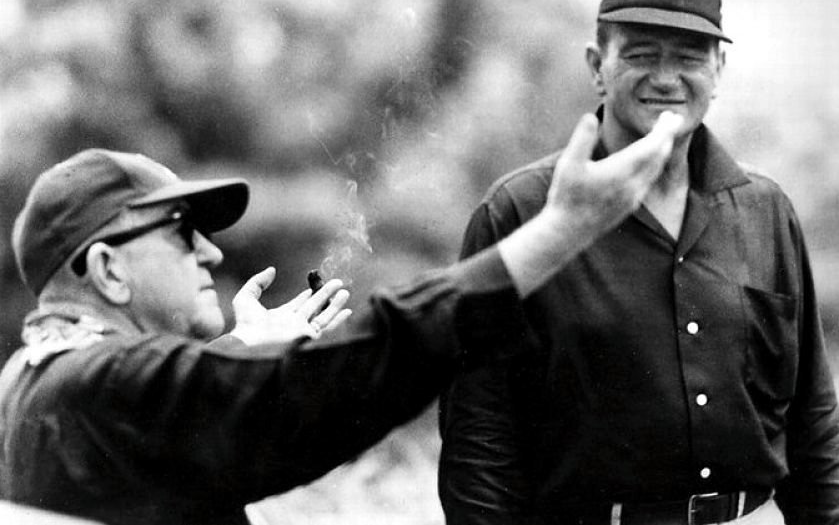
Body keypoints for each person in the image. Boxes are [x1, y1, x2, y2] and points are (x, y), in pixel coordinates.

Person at [0, 112, 681, 525]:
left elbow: (157, 436)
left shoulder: (31, 376)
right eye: (180, 230)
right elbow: (351, 370)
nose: (209, 249)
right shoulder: (105, 387)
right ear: (108, 271)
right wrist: (554, 234)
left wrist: (237, 353)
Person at [438, 0, 839, 525]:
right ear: (597, 65)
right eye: (642, 54)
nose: (667, 77)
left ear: (719, 69)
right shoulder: (520, 211)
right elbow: (480, 436)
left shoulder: (766, 210)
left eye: (689, 57)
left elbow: (813, 419)